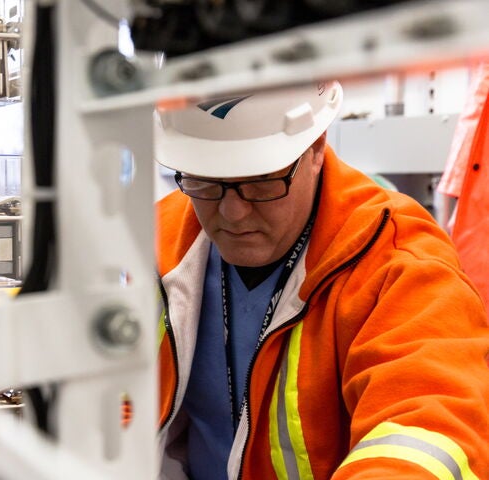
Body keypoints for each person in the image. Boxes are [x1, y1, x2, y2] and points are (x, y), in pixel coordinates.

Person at [154, 81, 489, 479]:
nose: (232, 213)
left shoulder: (398, 260)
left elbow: (430, 421)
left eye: (260, 182)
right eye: (205, 181)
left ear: (315, 148)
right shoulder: (156, 240)